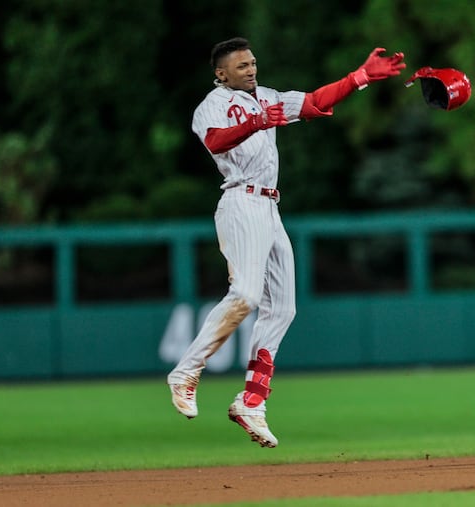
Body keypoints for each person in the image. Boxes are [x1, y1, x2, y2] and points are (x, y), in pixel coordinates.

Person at [167, 37, 405, 447]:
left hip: (270, 208)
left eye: (253, 62)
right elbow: (215, 141)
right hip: (240, 200)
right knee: (244, 293)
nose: (251, 69)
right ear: (221, 73)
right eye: (241, 66)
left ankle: (252, 401)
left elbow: (314, 102)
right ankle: (186, 371)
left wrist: (361, 76)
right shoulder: (214, 103)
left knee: (283, 308)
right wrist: (258, 122)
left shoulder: (268, 97)